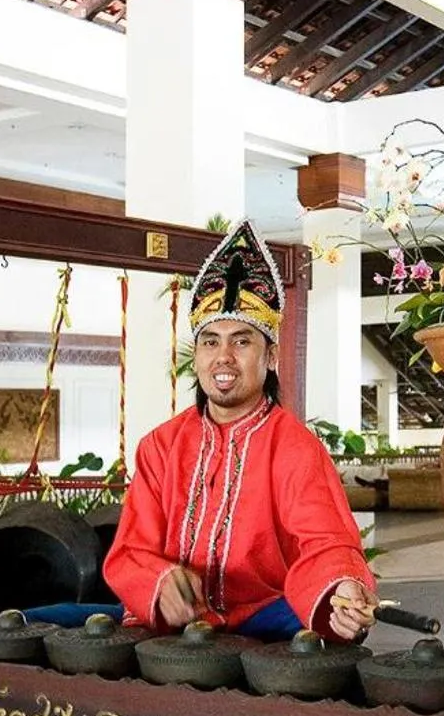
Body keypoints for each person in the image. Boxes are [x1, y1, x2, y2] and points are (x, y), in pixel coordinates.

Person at [47, 222, 376, 642]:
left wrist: (341, 586)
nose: (223, 357)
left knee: (311, 631)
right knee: (34, 618)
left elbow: (326, 542)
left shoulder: (295, 448)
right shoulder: (161, 446)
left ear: (271, 356)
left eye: (241, 342)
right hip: (173, 622)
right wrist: (159, 581)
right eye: (209, 342)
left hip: (262, 617)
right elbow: (131, 551)